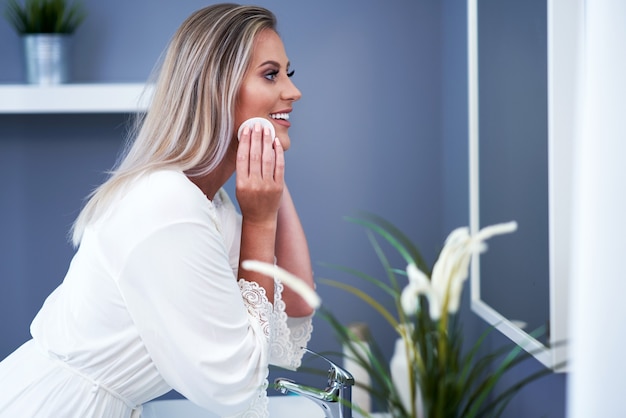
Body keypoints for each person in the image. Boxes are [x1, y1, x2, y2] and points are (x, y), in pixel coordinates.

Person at [0, 3, 315, 417]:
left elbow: (294, 303)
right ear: (216, 88)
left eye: (287, 74)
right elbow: (236, 383)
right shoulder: (167, 205)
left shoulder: (209, 206)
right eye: (271, 74)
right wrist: (259, 217)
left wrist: (269, 183)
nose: (294, 92)